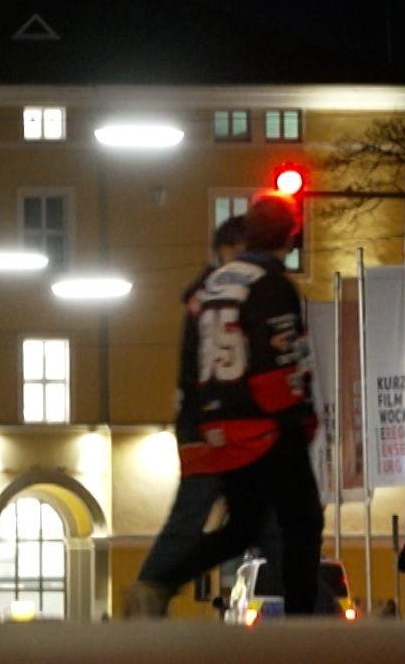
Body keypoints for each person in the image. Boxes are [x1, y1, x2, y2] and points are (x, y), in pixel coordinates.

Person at [129, 194, 326, 614]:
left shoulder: (213, 285)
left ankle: (162, 581)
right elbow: (281, 353)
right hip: (265, 421)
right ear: (291, 236)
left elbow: (195, 359)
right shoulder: (271, 283)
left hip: (219, 423)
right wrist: (299, 416)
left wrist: (207, 415)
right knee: (302, 523)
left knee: (246, 526)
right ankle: (304, 626)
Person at [126, 215, 248, 617]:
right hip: (212, 428)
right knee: (201, 517)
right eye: (245, 251)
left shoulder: (208, 294)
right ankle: (153, 586)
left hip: (209, 425)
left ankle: (152, 587)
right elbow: (212, 365)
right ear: (229, 250)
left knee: (256, 520)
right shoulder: (215, 297)